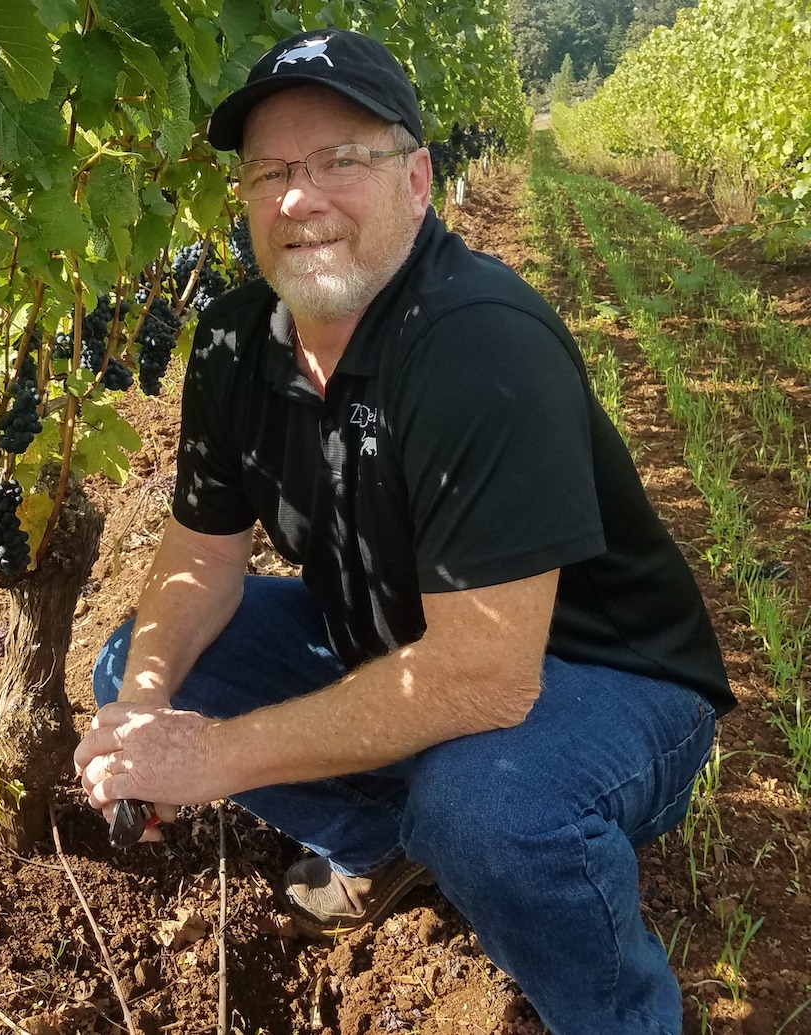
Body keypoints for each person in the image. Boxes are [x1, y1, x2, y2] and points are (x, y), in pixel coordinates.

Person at [74, 27, 734, 1035]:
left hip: (607, 678)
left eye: (342, 161)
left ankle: (621, 1016)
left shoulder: (479, 347)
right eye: (271, 172)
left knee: (483, 805)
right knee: (131, 662)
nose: (301, 198)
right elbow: (198, 565)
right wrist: (150, 707)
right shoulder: (231, 342)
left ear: (419, 180)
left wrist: (214, 758)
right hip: (403, 638)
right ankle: (382, 844)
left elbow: (487, 675)